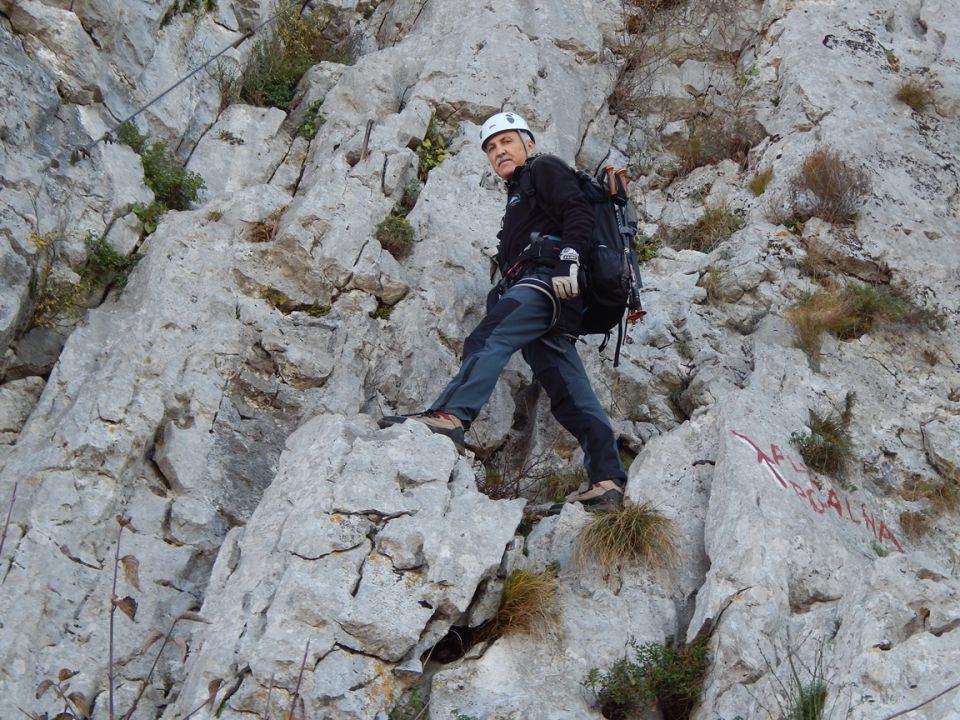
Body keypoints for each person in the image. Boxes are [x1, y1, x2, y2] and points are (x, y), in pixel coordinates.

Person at [380, 112, 626, 513]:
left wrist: (568, 257)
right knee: (568, 392)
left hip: (546, 283)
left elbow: (577, 210)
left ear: (528, 144)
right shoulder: (519, 196)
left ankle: (452, 416)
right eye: (492, 148)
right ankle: (607, 479)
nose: (499, 151)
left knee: (488, 337)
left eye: (507, 142)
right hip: (555, 300)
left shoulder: (543, 167)